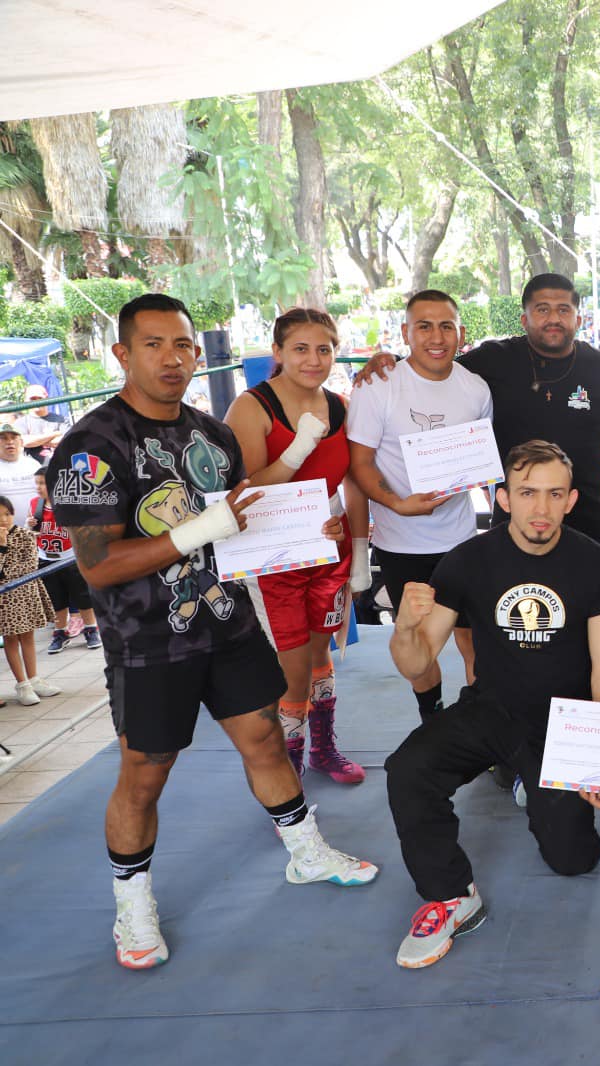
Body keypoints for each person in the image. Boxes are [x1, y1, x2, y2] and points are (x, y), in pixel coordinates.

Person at [47, 293, 377, 971]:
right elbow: (98, 564)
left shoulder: (210, 433)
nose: (172, 358)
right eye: (154, 345)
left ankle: (305, 851)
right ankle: (131, 903)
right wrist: (195, 531)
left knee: (263, 737)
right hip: (147, 641)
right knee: (145, 772)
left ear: (199, 353)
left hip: (227, 621)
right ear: (122, 354)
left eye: (184, 345)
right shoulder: (92, 446)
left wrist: (300, 531)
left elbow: (246, 511)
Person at [384, 440, 600, 969]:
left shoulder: (595, 566)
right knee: (409, 769)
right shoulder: (467, 561)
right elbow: (417, 660)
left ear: (571, 499)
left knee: (572, 860)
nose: (540, 508)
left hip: (563, 723)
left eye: (553, 494)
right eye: (527, 493)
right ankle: (450, 895)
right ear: (504, 498)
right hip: (491, 708)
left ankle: (528, 778)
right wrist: (404, 626)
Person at [354, 276, 600, 546]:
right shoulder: (495, 359)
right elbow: (436, 362)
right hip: (513, 522)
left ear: (578, 319)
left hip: (585, 520)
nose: (554, 319)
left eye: (564, 310)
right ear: (524, 320)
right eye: (542, 310)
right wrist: (391, 360)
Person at [224, 307, 369, 784]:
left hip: (328, 545)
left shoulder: (341, 406)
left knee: (321, 655)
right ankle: (285, 768)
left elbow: (351, 484)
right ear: (278, 353)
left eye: (324, 349)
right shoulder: (252, 406)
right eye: (301, 349)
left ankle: (323, 748)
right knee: (291, 667)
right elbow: (241, 493)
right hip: (272, 555)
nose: (313, 360)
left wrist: (359, 547)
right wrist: (296, 450)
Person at [347, 290, 491, 720]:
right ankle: (433, 719)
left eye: (446, 325)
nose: (436, 335)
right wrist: (397, 504)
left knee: (476, 643)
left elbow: (476, 456)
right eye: (424, 325)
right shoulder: (379, 386)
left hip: (463, 540)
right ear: (406, 332)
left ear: (461, 333)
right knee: (418, 646)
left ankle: (484, 729)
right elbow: (360, 463)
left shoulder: (476, 389)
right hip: (402, 542)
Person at [31, 466, 101, 652]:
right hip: (46, 558)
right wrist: (31, 526)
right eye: (36, 483)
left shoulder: (67, 503)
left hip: (70, 557)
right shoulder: (35, 504)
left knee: (82, 596)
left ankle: (90, 629)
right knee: (57, 599)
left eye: (43, 483)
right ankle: (60, 632)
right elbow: (35, 532)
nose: (39, 487)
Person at [0, 494, 61, 706]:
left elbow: (29, 566)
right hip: (4, 600)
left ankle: (34, 679)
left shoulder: (25, 535)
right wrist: (2, 547)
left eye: (7, 514)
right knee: (10, 639)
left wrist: (7, 572)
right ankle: (22, 684)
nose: (4, 519)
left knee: (28, 637)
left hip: (26, 593)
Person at [0, 422, 40, 520]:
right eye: (4, 438)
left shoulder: (34, 465)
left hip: (37, 530)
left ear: (21, 442)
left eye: (13, 438)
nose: (10, 442)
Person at [15, 384, 66, 460]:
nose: (37, 401)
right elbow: (25, 441)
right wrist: (55, 433)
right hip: (33, 468)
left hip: (58, 465)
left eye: (40, 398)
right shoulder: (21, 422)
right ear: (26, 401)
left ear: (46, 399)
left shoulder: (62, 419)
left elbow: (66, 440)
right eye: (33, 399)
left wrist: (36, 441)